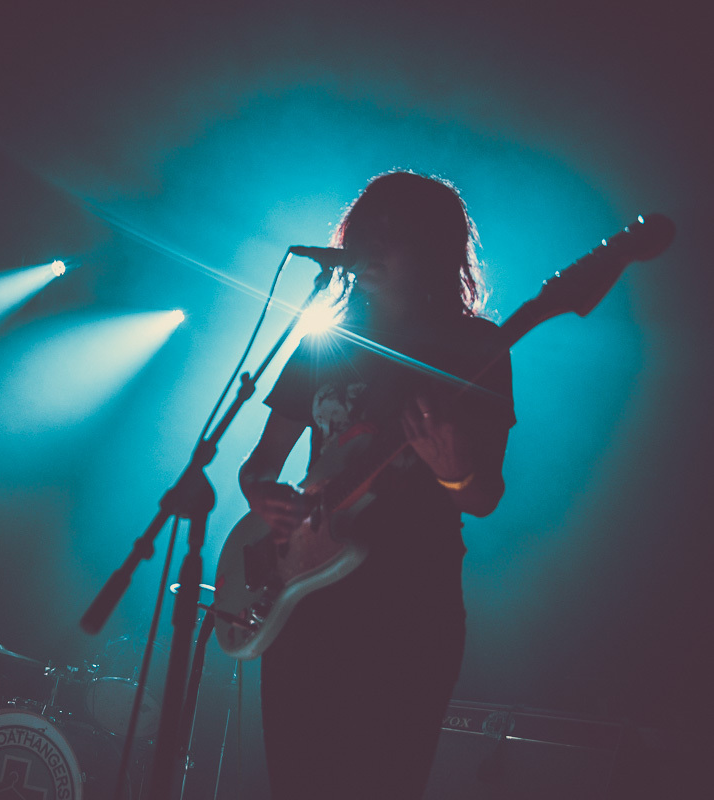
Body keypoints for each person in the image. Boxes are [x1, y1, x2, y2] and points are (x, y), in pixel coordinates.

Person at [239, 171, 515, 798]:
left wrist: (452, 469)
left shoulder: (474, 346)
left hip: (409, 609)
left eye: (397, 235)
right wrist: (265, 496)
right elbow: (260, 464)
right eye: (369, 233)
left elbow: (485, 495)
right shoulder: (326, 344)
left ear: (435, 250)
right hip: (303, 601)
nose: (376, 248)